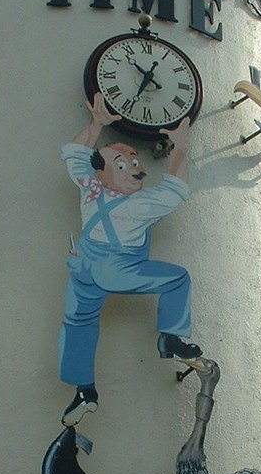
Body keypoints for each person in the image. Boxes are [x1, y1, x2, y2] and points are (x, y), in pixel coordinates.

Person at [58, 93, 202, 425]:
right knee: (177, 278)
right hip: (115, 268)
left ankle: (84, 391)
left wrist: (96, 126)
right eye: (123, 165)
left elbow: (75, 155)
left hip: (81, 268)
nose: (135, 170)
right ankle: (170, 337)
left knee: (78, 324)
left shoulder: (89, 187)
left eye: (135, 162)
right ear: (104, 172)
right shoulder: (138, 205)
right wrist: (180, 147)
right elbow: (175, 189)